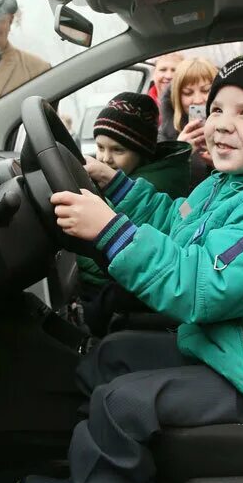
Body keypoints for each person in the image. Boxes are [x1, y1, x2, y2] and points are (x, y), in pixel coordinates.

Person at [15, 51, 243, 483]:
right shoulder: (232, 184)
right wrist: (120, 189)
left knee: (123, 403)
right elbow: (180, 226)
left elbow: (199, 284)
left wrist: (110, 230)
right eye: (217, 109)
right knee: (111, 356)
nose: (222, 125)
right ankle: (94, 481)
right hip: (242, 344)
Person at [75, 92, 191, 327]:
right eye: (100, 147)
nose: (105, 158)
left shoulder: (157, 184)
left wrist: (72, 254)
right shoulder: (131, 172)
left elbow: (101, 259)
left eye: (118, 150)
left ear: (142, 151)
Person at [157, 57, 218, 189]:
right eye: (188, 93)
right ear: (177, 97)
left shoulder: (234, 131)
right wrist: (178, 153)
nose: (197, 100)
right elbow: (159, 190)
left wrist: (223, 163)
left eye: (206, 90)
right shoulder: (163, 137)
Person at [145, 52, 183, 117]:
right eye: (163, 70)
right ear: (154, 73)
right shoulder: (144, 104)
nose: (168, 76)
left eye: (174, 70)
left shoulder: (189, 103)